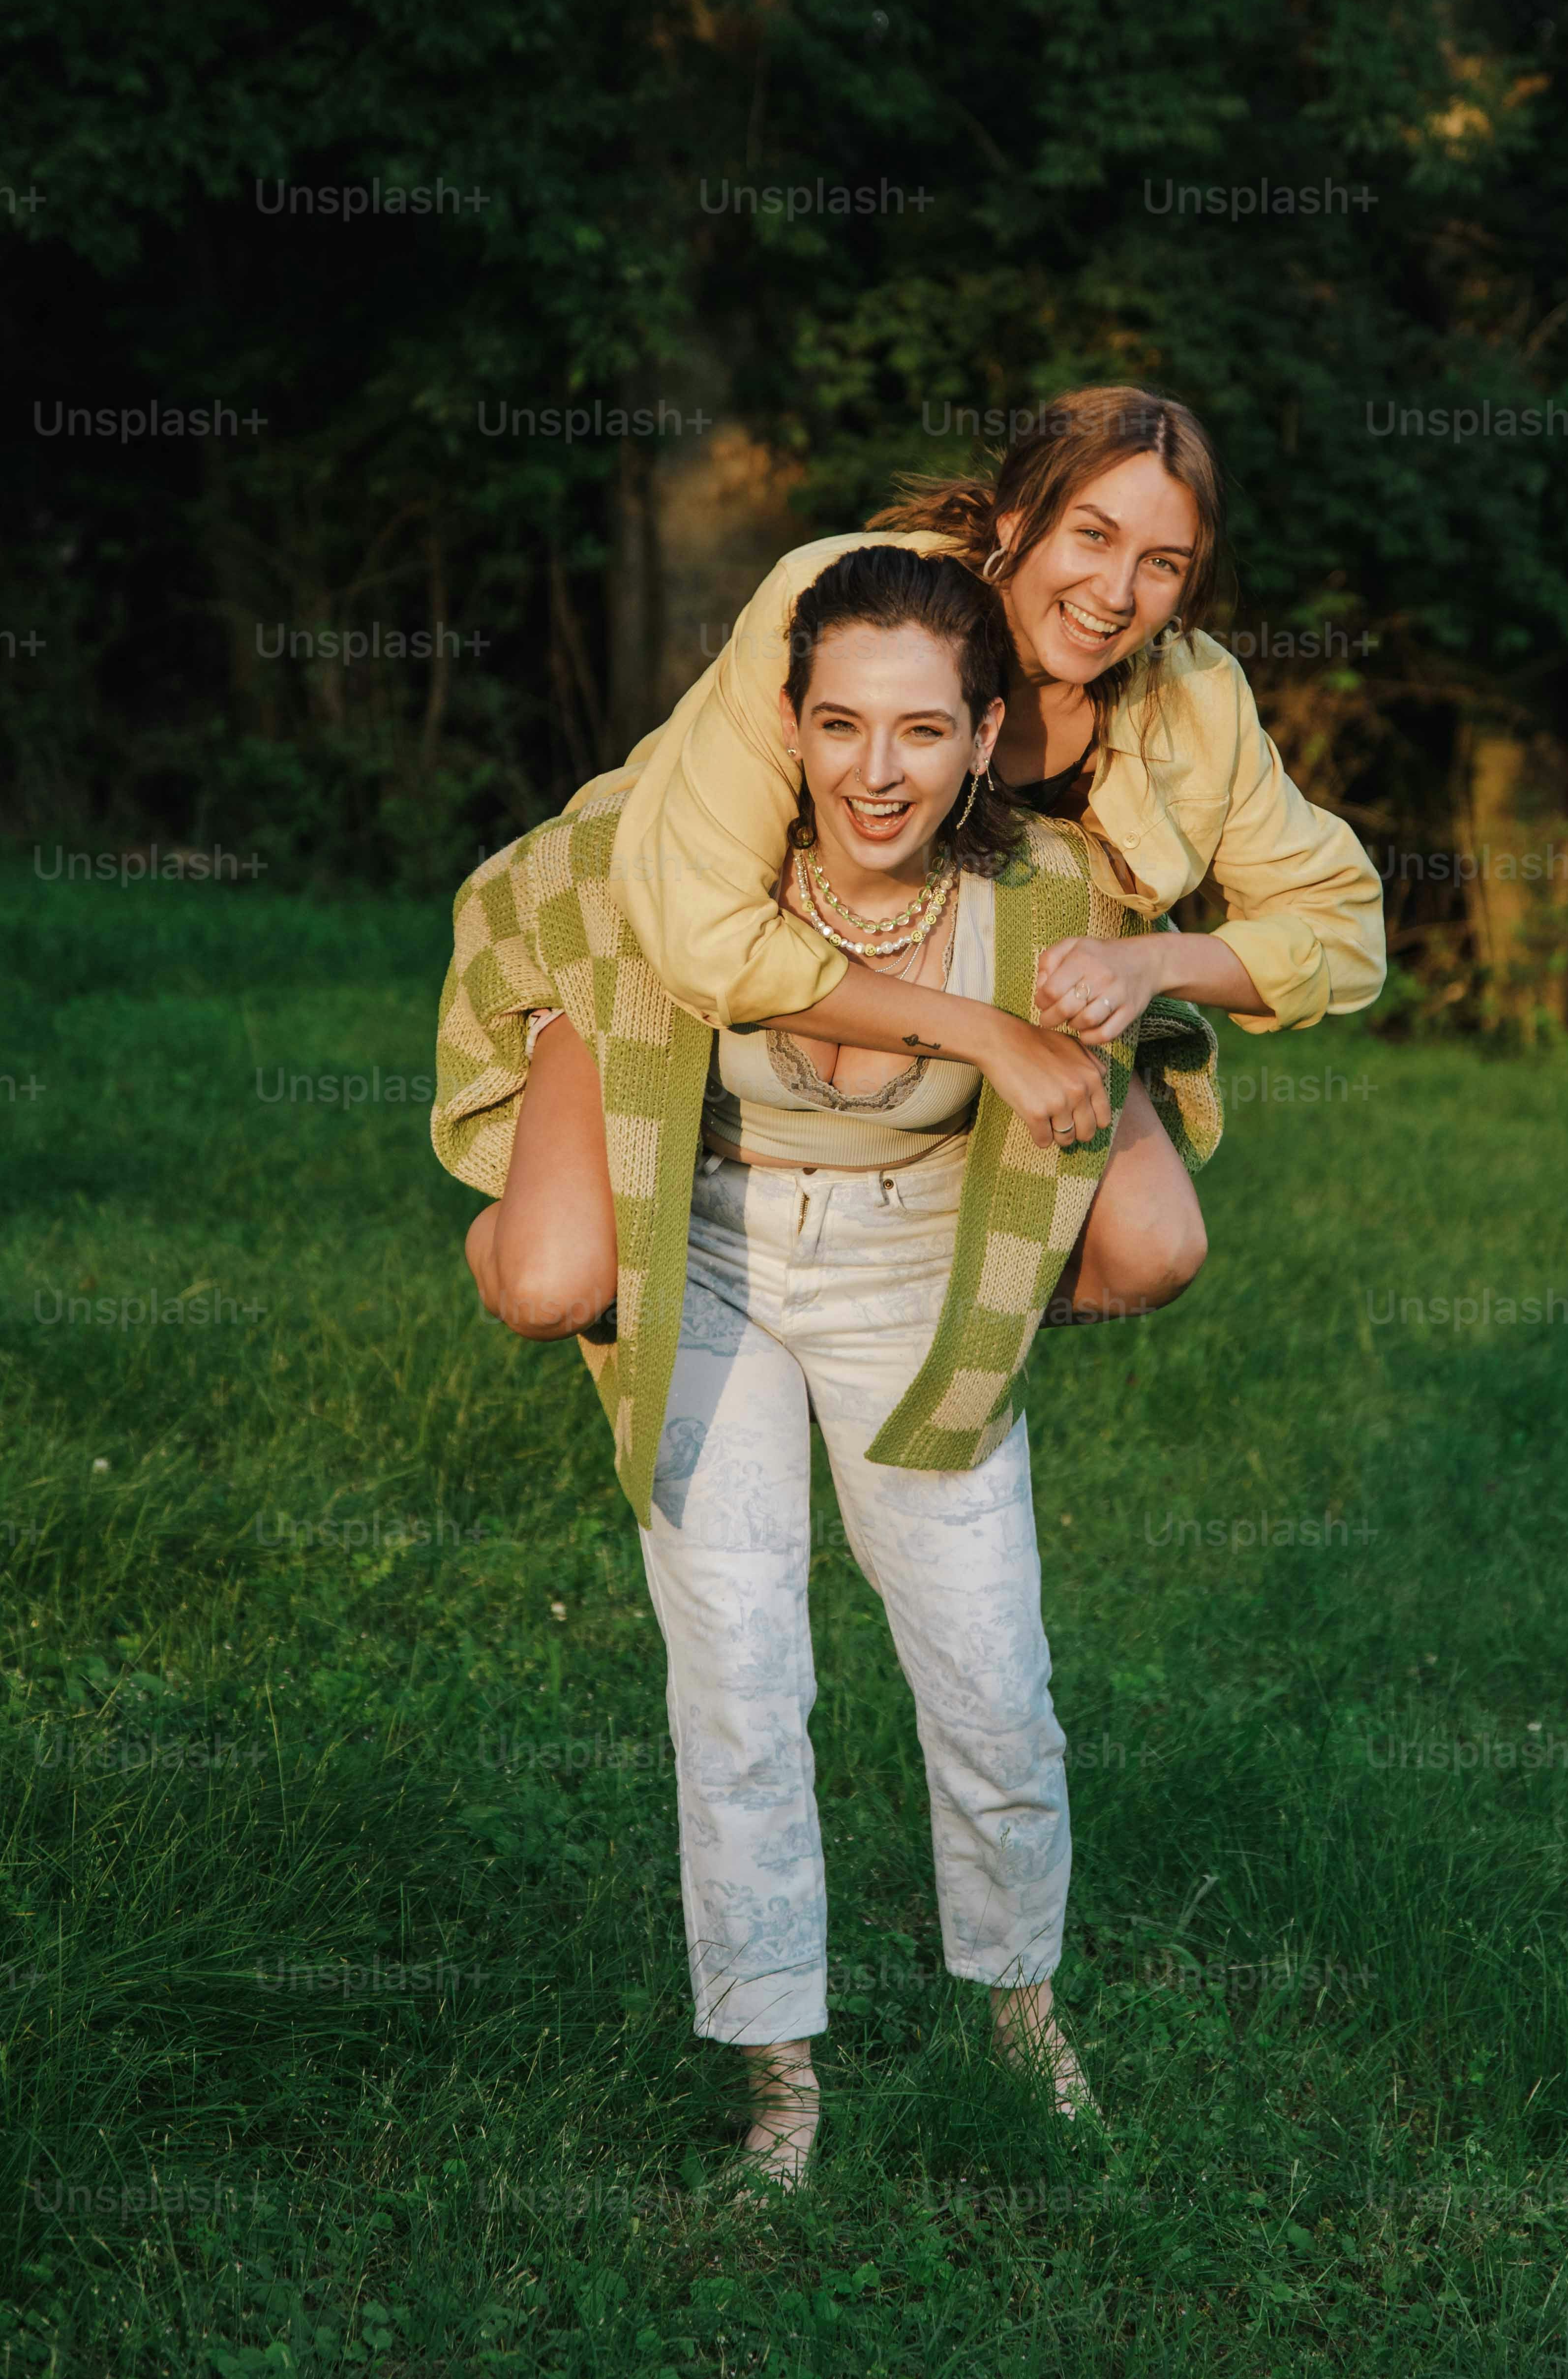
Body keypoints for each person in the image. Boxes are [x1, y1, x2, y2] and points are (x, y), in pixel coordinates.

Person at [434, 545, 1222, 2190]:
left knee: (993, 1679)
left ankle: (1022, 2019)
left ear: (985, 734)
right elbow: (517, 897)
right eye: (840, 723)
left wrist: (1089, 1107)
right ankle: (779, 2083)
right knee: (739, 1681)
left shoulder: (1041, 896)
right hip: (707, 1248)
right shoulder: (690, 863)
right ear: (783, 723)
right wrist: (555, 1148)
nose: (877, 771)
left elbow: (1173, 1061)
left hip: (915, 1267)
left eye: (922, 730)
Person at [559, 384, 1384, 1340]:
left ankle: (924, 1327)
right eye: (1092, 536)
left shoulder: (1194, 696)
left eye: (1161, 564)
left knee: (1154, 1248)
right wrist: (990, 1038)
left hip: (971, 986)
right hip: (673, 937)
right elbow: (699, 927)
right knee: (555, 1282)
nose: (1117, 594)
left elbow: (1343, 932)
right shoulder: (840, 601)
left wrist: (1151, 962)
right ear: (1017, 520)